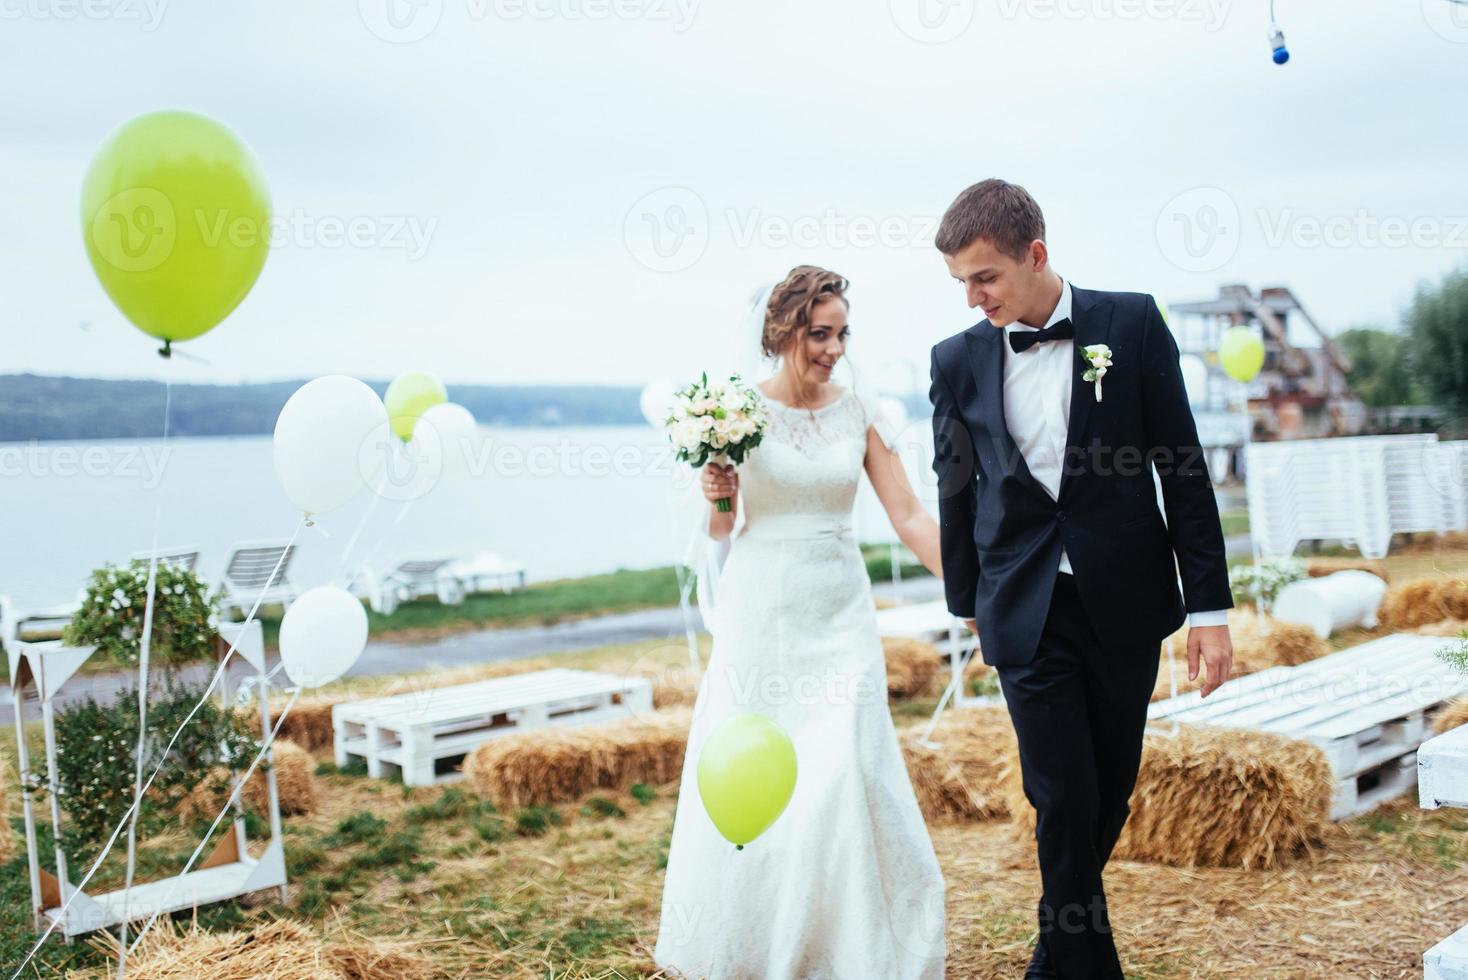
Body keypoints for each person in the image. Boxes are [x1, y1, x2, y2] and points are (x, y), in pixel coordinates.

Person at [927, 179, 1235, 978]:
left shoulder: (1129, 324)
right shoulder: (955, 361)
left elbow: (1184, 469)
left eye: (985, 276)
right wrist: (968, 605)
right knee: (1060, 796)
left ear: (1036, 255)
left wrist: (1210, 608)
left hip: (1125, 602)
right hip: (1024, 608)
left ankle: (1052, 957)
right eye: (961, 281)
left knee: (1107, 794)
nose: (973, 297)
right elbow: (954, 487)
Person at [654, 264, 947, 979]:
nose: (834, 348)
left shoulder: (859, 410)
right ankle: (753, 943)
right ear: (781, 330)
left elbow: (907, 513)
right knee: (759, 771)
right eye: (821, 333)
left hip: (840, 609)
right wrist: (716, 492)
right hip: (761, 612)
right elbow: (722, 531)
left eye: (842, 333)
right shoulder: (734, 413)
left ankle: (848, 951)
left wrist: (977, 588)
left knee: (844, 768)